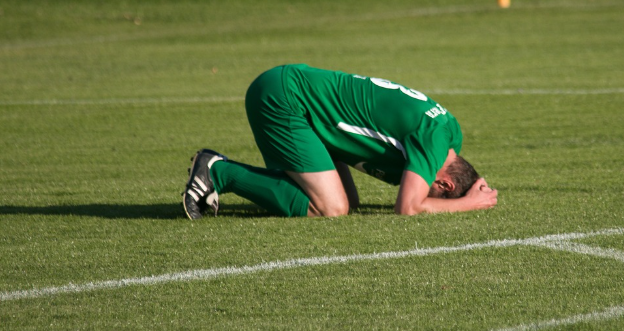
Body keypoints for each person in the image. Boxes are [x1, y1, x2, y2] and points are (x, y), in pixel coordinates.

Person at [182, 64, 498, 219]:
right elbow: (408, 207)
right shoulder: (433, 142)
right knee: (330, 207)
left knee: (347, 202)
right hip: (285, 99)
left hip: (298, 99)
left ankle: (241, 177)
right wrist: (469, 203)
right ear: (444, 184)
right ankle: (218, 171)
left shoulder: (450, 134)